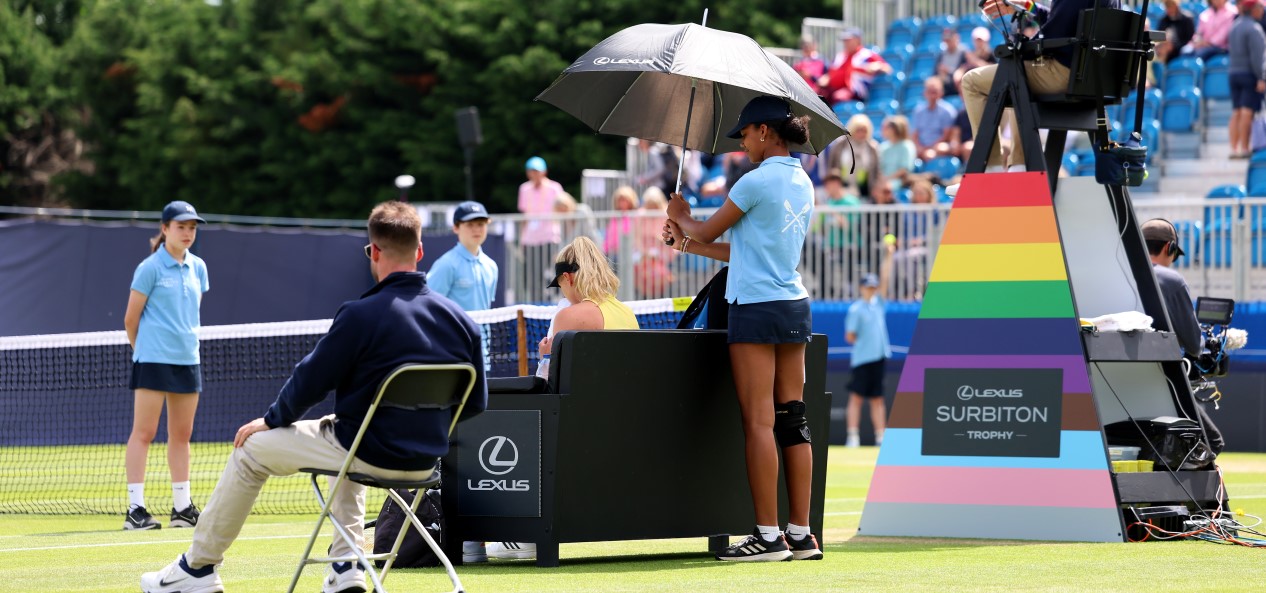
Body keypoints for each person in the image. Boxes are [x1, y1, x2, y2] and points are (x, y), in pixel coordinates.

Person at [140, 201, 488, 593]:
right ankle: (347, 566)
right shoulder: (464, 324)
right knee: (348, 433)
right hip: (426, 465)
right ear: (420, 251)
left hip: (366, 452)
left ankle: (198, 568)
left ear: (373, 252)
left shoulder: (360, 315)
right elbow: (474, 405)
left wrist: (270, 420)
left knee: (251, 449)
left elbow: (310, 381)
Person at [662, 95, 822, 562]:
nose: (744, 143)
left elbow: (706, 230)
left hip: (754, 309)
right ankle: (801, 535)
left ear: (766, 132)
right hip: (794, 307)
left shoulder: (753, 181)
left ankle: (768, 537)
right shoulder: (803, 181)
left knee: (758, 421)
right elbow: (740, 252)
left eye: (747, 134)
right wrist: (686, 242)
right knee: (793, 418)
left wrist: (680, 212)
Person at [487, 235, 640, 562]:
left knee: (517, 416)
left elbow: (546, 384)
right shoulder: (628, 315)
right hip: (622, 427)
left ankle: (523, 533)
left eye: (561, 286)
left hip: (575, 430)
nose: (564, 294)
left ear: (568, 278)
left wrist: (544, 357)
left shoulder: (569, 317)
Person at [123, 200, 210, 531]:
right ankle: (135, 510)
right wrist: (143, 349)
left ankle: (182, 508)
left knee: (182, 434)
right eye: (181, 227)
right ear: (165, 229)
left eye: (192, 227)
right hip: (153, 360)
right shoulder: (150, 268)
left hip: (188, 359)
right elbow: (131, 319)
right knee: (144, 433)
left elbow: (191, 314)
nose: (187, 233)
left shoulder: (199, 267)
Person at [961, 0, 1121, 172]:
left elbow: (1054, 33)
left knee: (973, 81)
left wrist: (1020, 49)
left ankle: (990, 169)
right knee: (1017, 78)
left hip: (1064, 75)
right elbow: (1066, 23)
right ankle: (1019, 165)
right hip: (1092, 81)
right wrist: (1029, 7)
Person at [1141, 219, 1225, 454]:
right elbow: (1194, 345)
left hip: (1113, 378)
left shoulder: (1119, 275)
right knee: (1211, 442)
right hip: (1163, 378)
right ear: (1169, 248)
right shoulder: (1171, 280)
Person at [844, 241, 895, 448]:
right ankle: (852, 436)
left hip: (879, 358)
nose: (872, 289)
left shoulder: (879, 304)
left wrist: (889, 255)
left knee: (877, 399)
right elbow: (850, 336)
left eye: (873, 287)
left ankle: (880, 437)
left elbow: (885, 279)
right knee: (856, 398)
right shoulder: (856, 309)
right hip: (862, 359)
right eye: (868, 286)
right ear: (861, 288)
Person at [427, 200, 498, 311]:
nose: (476, 230)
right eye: (470, 224)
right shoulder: (446, 264)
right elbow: (429, 305)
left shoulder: (491, 266)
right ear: (456, 228)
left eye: (481, 224)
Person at [1227, 0, 1266, 158]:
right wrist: (1262, 77)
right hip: (1248, 74)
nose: (1262, 10)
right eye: (1260, 8)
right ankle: (1244, 148)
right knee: (1246, 112)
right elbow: (1258, 58)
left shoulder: (1234, 26)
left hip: (1233, 73)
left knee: (1236, 111)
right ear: (1253, 10)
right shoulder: (1254, 28)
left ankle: (1234, 148)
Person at [823, 27, 891, 104]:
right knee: (818, 96)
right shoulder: (840, 56)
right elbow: (830, 73)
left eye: (848, 40)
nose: (846, 43)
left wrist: (877, 66)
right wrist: (826, 77)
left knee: (839, 97)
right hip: (832, 90)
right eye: (845, 40)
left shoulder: (866, 54)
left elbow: (887, 68)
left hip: (856, 94)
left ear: (858, 40)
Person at [911, 78, 958, 162]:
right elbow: (914, 134)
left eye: (935, 92)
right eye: (929, 92)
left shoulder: (947, 111)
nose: (932, 96)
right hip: (921, 147)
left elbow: (946, 135)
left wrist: (930, 148)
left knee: (936, 151)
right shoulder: (918, 111)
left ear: (941, 93)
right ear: (924, 93)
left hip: (937, 146)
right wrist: (920, 147)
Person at [878, 115, 917, 183]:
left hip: (898, 181)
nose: (885, 129)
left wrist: (888, 179)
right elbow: (879, 168)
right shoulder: (883, 146)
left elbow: (904, 170)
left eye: (889, 127)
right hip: (883, 180)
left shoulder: (907, 146)